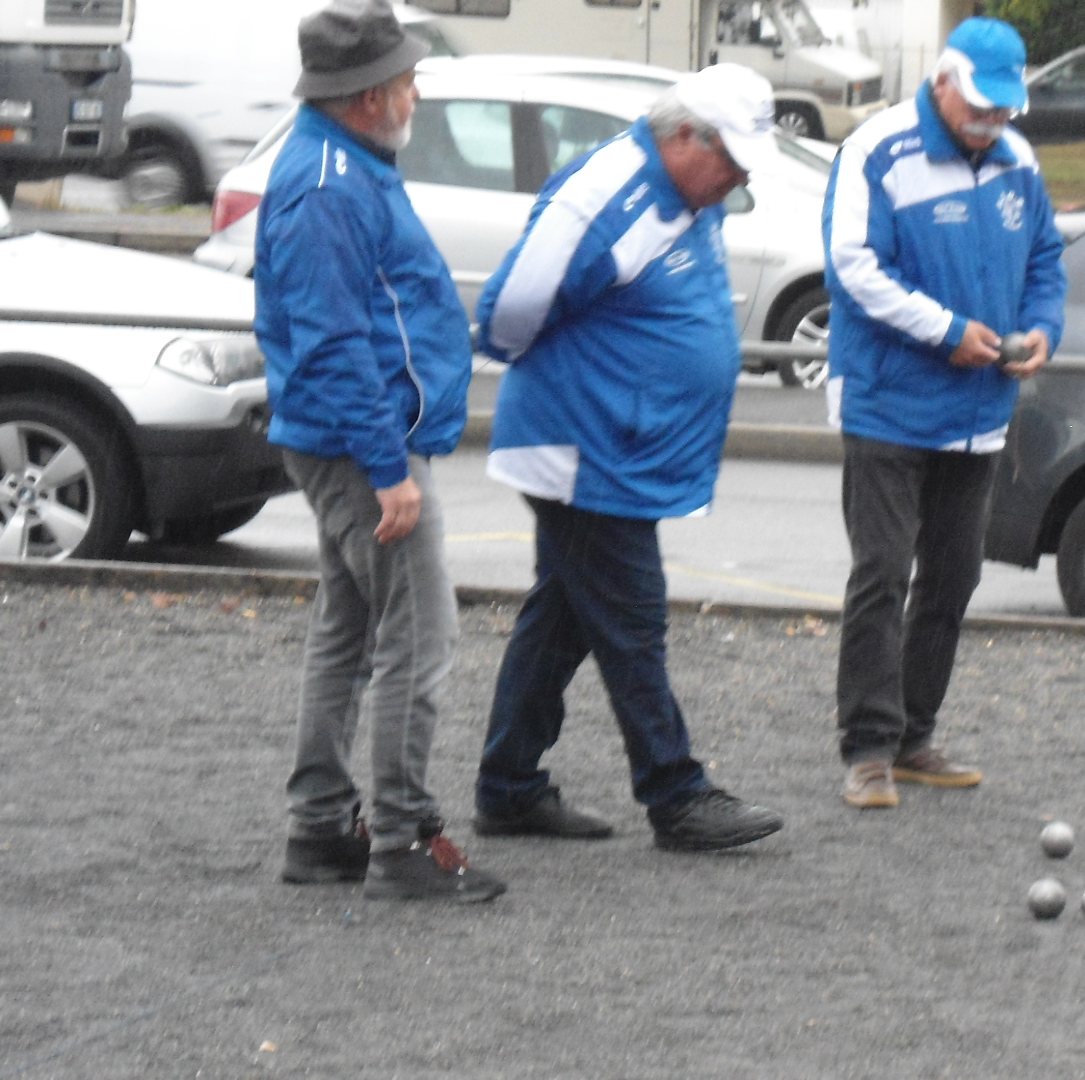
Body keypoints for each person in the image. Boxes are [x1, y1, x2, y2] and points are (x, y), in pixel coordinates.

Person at [469, 65, 786, 853]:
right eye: (732, 161)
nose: (739, 179)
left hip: (613, 448)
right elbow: (507, 312)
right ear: (685, 137)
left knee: (565, 618)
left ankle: (508, 787)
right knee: (633, 617)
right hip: (583, 450)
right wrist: (590, 389)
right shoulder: (607, 196)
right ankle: (676, 793)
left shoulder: (686, 190)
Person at [258, 0, 502, 903]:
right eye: (406, 78)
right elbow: (332, 340)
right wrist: (390, 469)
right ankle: (399, 839)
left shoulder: (342, 163)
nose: (415, 92)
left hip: (345, 440)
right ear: (367, 97)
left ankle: (322, 827)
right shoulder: (333, 185)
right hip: (367, 448)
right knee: (417, 638)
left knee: (349, 631)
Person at [821, 16, 1067, 809]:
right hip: (889, 400)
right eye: (981, 106)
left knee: (954, 577)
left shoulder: (1016, 158)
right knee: (882, 574)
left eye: (1004, 109)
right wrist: (946, 331)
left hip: (981, 405)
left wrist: (1042, 330)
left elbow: (1046, 261)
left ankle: (915, 734)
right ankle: (866, 747)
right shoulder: (877, 151)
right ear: (942, 82)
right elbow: (855, 268)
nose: (992, 121)